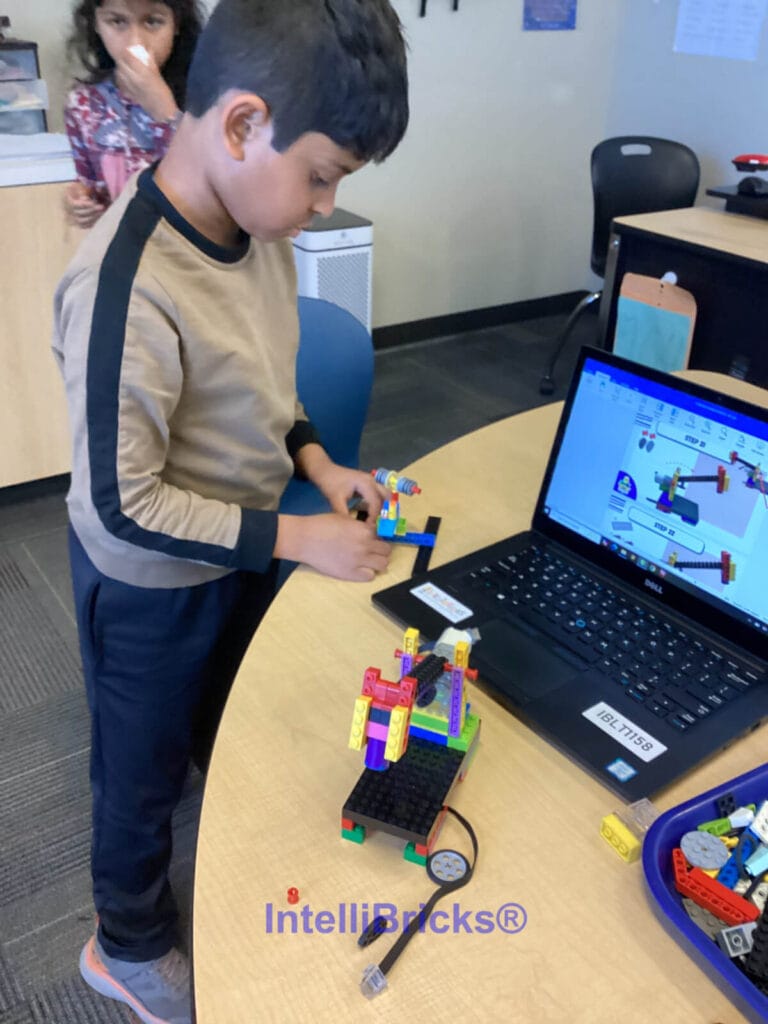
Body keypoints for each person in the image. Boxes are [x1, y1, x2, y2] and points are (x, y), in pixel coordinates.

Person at [52, 0, 409, 1021]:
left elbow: (263, 377)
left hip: (238, 545)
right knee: (139, 772)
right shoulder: (125, 285)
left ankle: (228, 856)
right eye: (325, 174)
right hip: (149, 584)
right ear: (245, 125)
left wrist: (316, 459)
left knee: (228, 719)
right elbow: (121, 505)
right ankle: (123, 940)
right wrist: (297, 534)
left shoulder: (258, 226)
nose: (324, 201)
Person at [63, 0, 204, 228]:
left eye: (152, 21)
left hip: (188, 250)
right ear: (96, 24)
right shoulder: (82, 104)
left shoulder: (204, 97)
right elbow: (89, 182)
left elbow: (210, 185)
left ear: (176, 23)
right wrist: (80, 200)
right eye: (117, 21)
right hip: (123, 249)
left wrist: (164, 110)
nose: (136, 42)